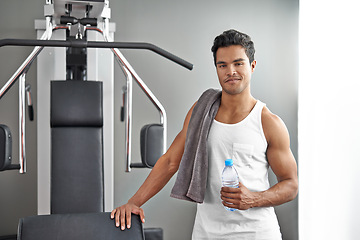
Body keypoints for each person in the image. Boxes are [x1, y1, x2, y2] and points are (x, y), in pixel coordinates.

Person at [111, 29, 298, 239]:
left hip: (256, 233)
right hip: (207, 232)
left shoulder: (268, 122)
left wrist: (253, 199)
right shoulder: (202, 110)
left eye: (238, 63)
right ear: (216, 68)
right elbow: (171, 160)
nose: (231, 71)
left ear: (252, 66)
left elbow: (291, 184)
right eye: (223, 65)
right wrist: (134, 202)